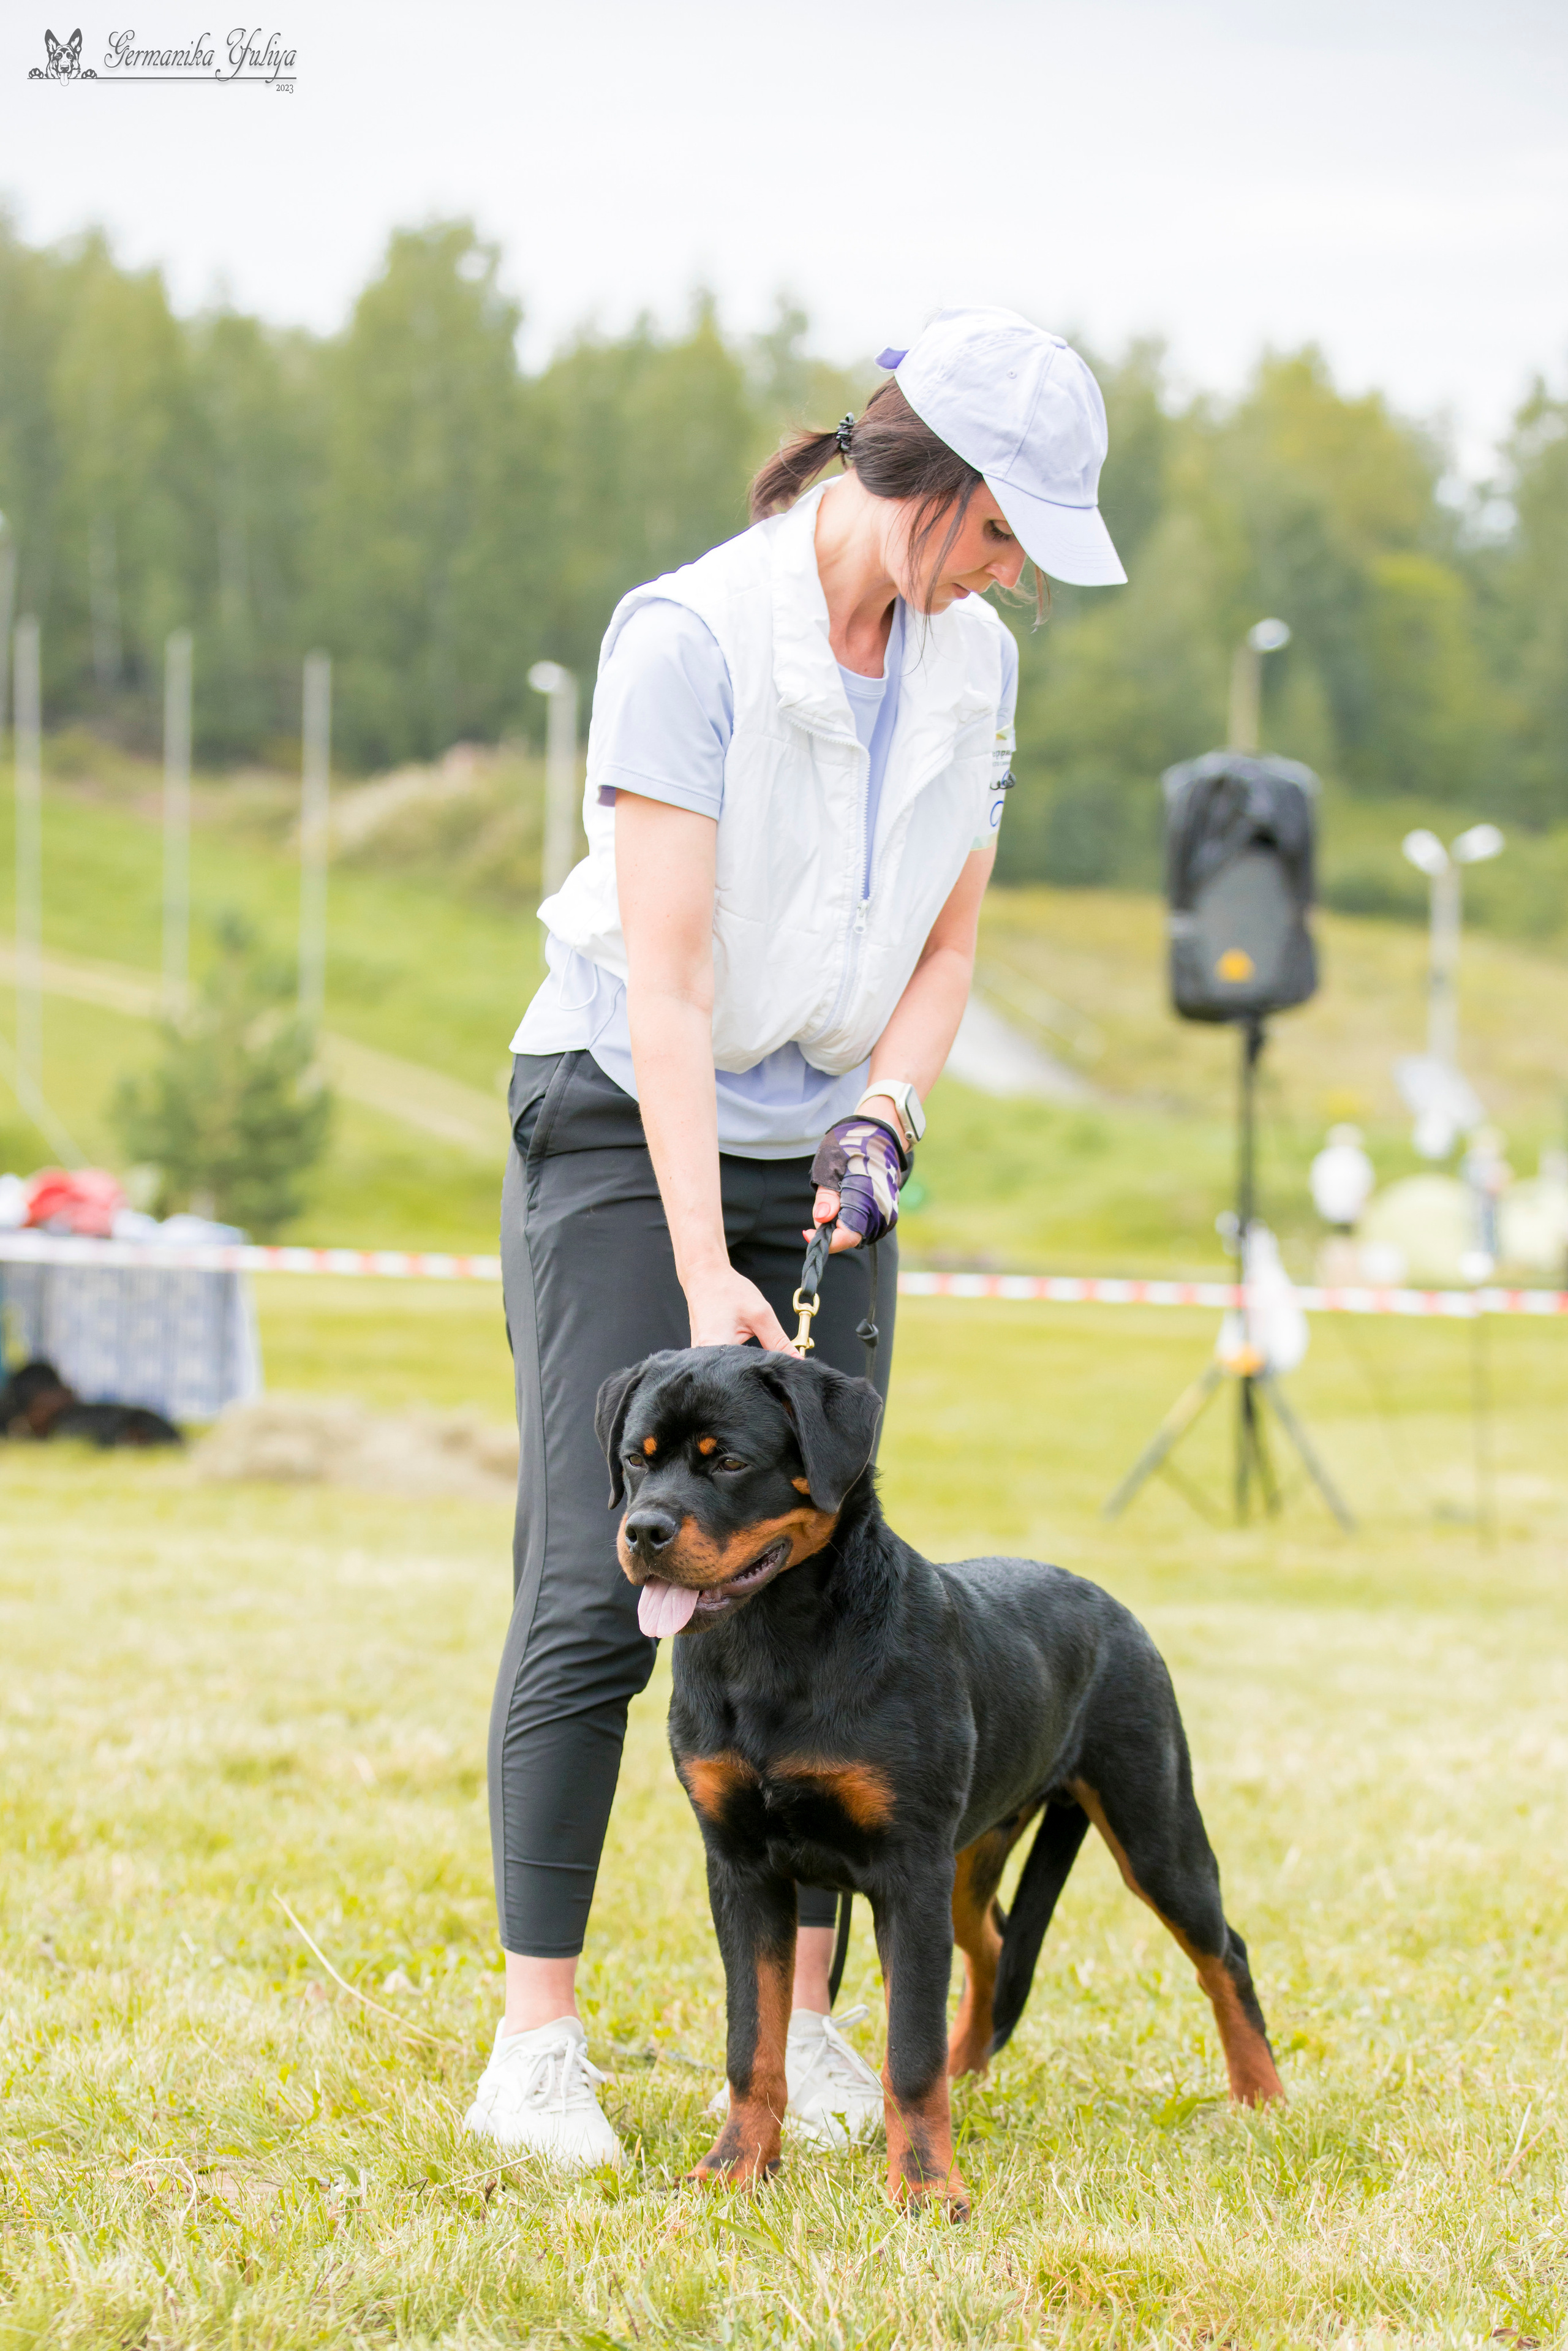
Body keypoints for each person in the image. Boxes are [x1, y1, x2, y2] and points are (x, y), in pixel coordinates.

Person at [463, 308, 1126, 2168]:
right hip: (625, 1112)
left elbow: (952, 952)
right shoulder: (689, 638)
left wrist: (884, 1113)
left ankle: (816, 2037)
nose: (1013, 579)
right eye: (1006, 535)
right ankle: (539, 2044)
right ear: (937, 491)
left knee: (832, 1570)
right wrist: (701, 1269)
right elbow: (665, 991)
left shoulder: (973, 663)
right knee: (618, 1569)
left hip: (825, 1129)